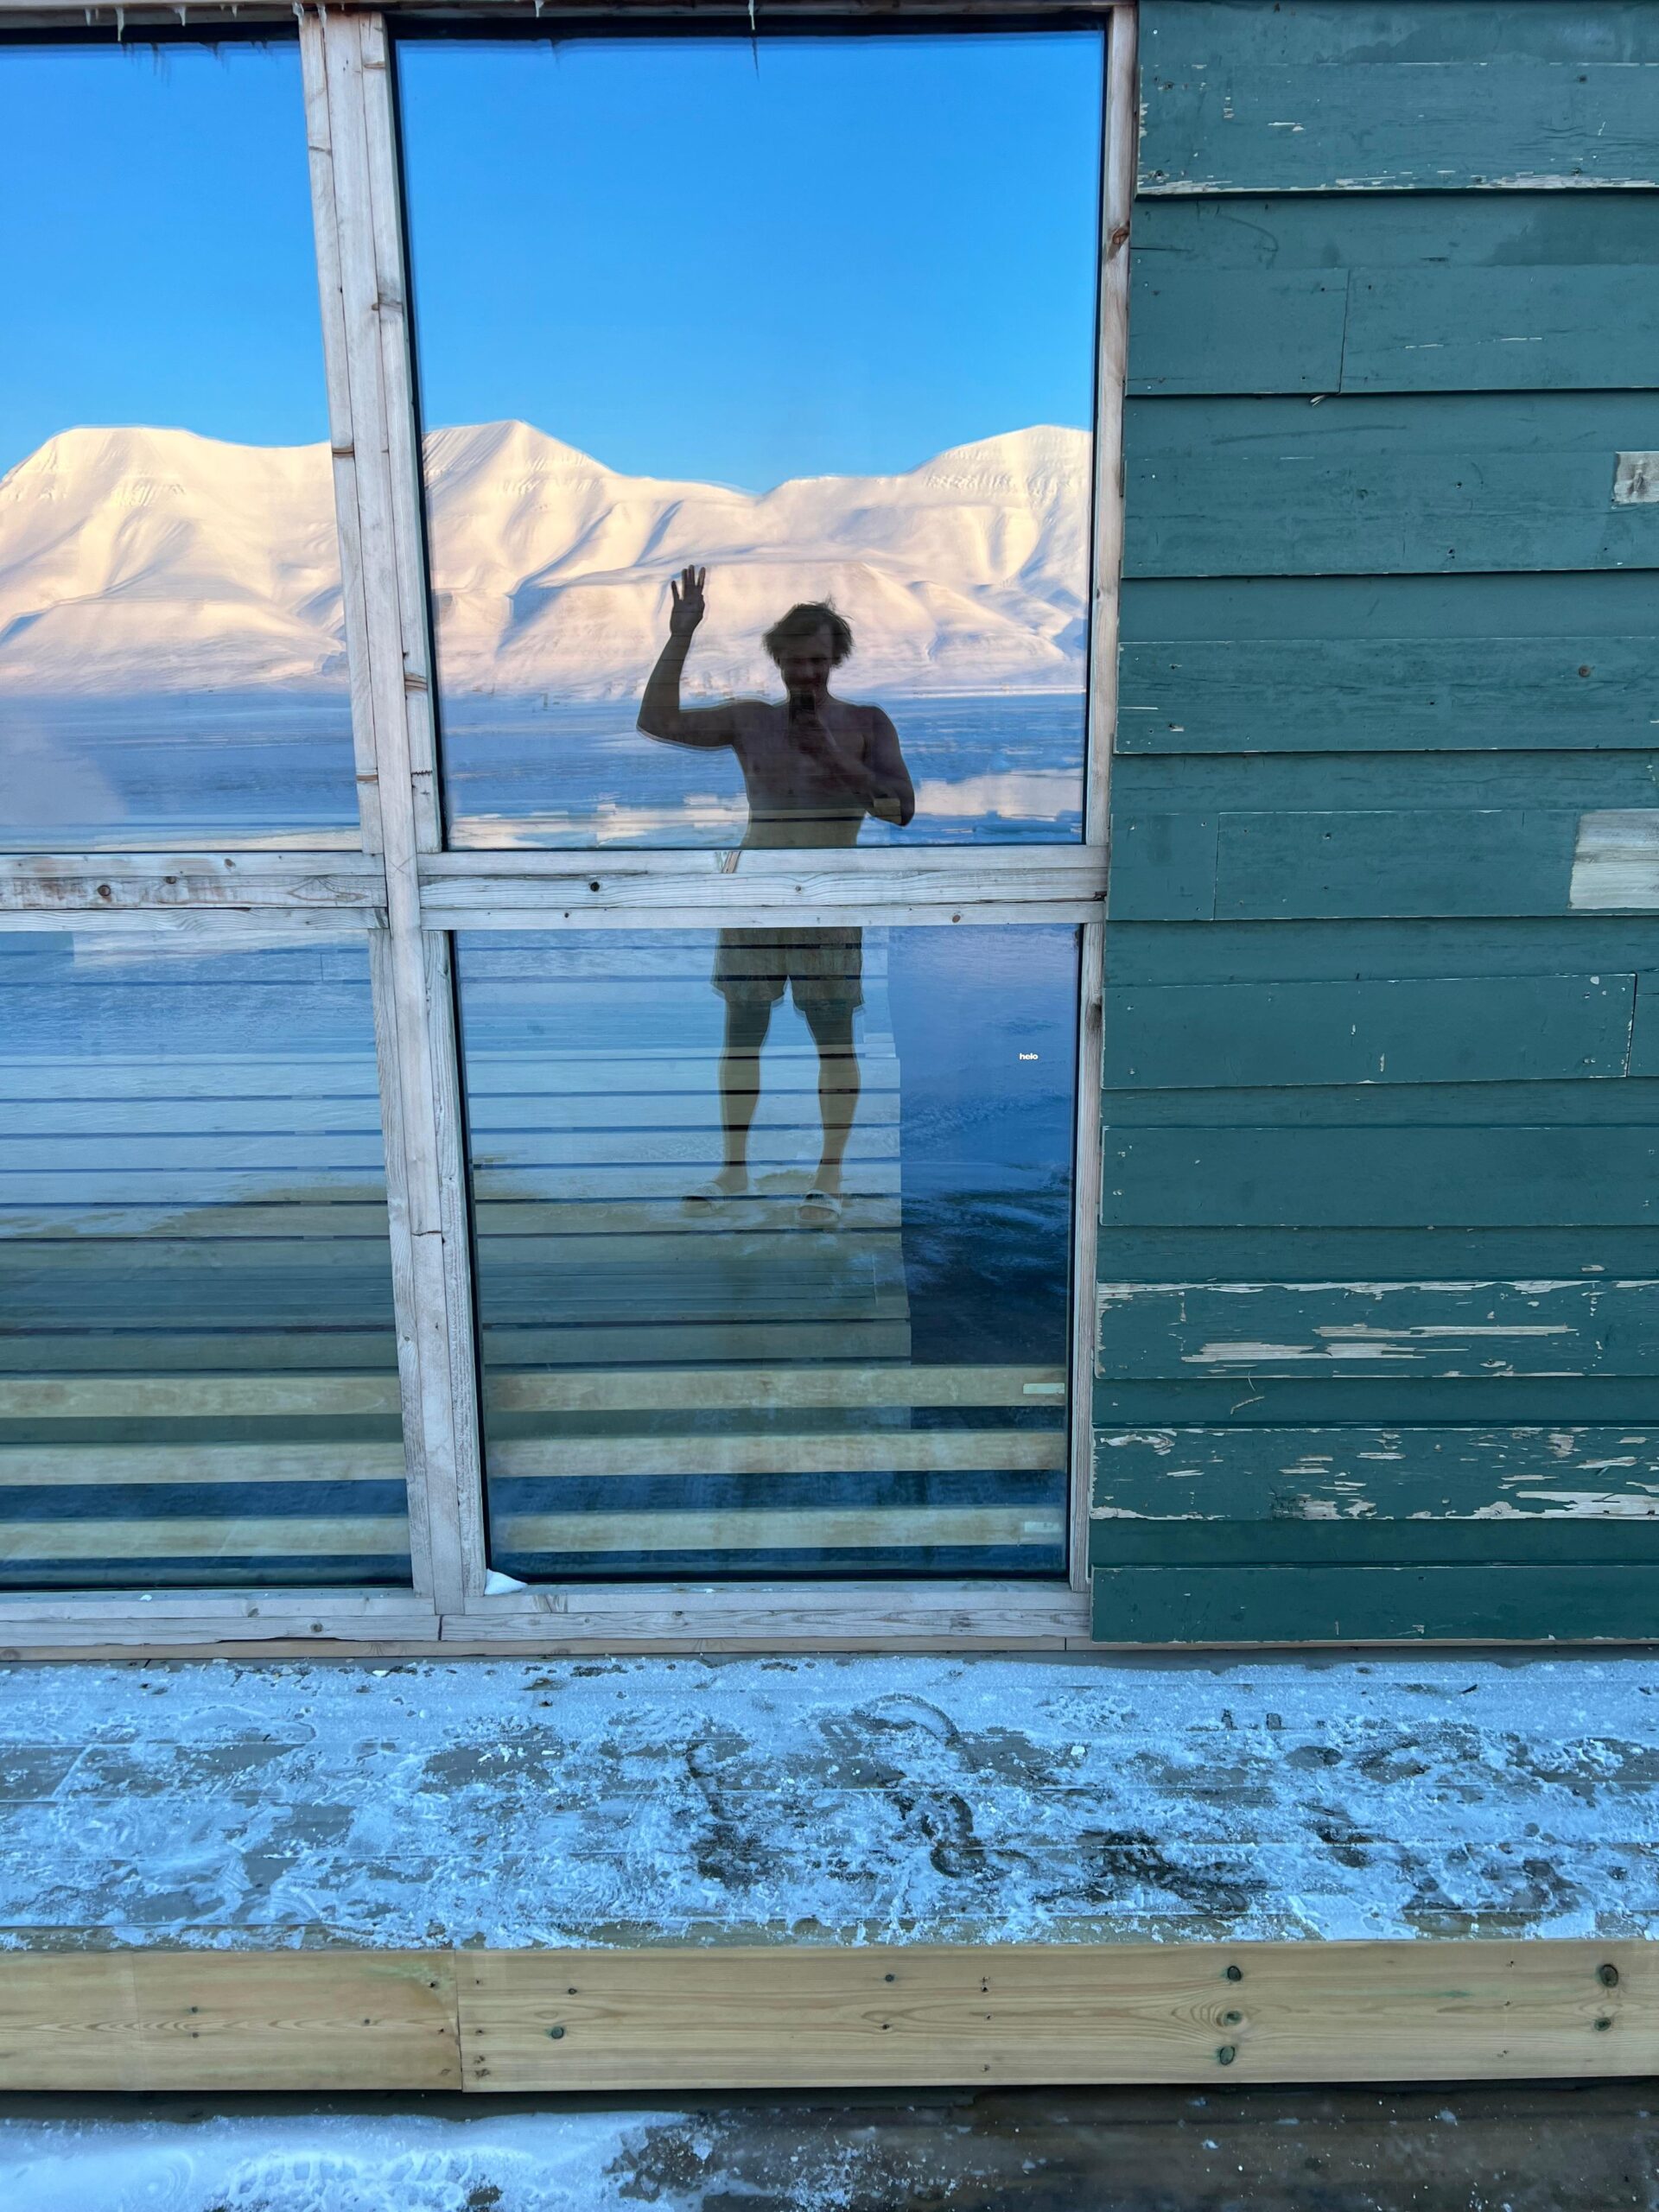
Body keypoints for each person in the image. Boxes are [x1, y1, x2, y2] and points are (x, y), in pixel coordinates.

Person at [638, 565, 915, 1224]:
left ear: (836, 659)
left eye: (818, 661)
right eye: (795, 662)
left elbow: (900, 809)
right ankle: (734, 1172)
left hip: (828, 901)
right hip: (755, 897)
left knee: (833, 1040)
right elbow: (656, 721)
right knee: (741, 1036)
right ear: (778, 661)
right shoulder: (751, 722)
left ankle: (830, 1176)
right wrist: (681, 635)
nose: (807, 674)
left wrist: (837, 758)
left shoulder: (866, 723)